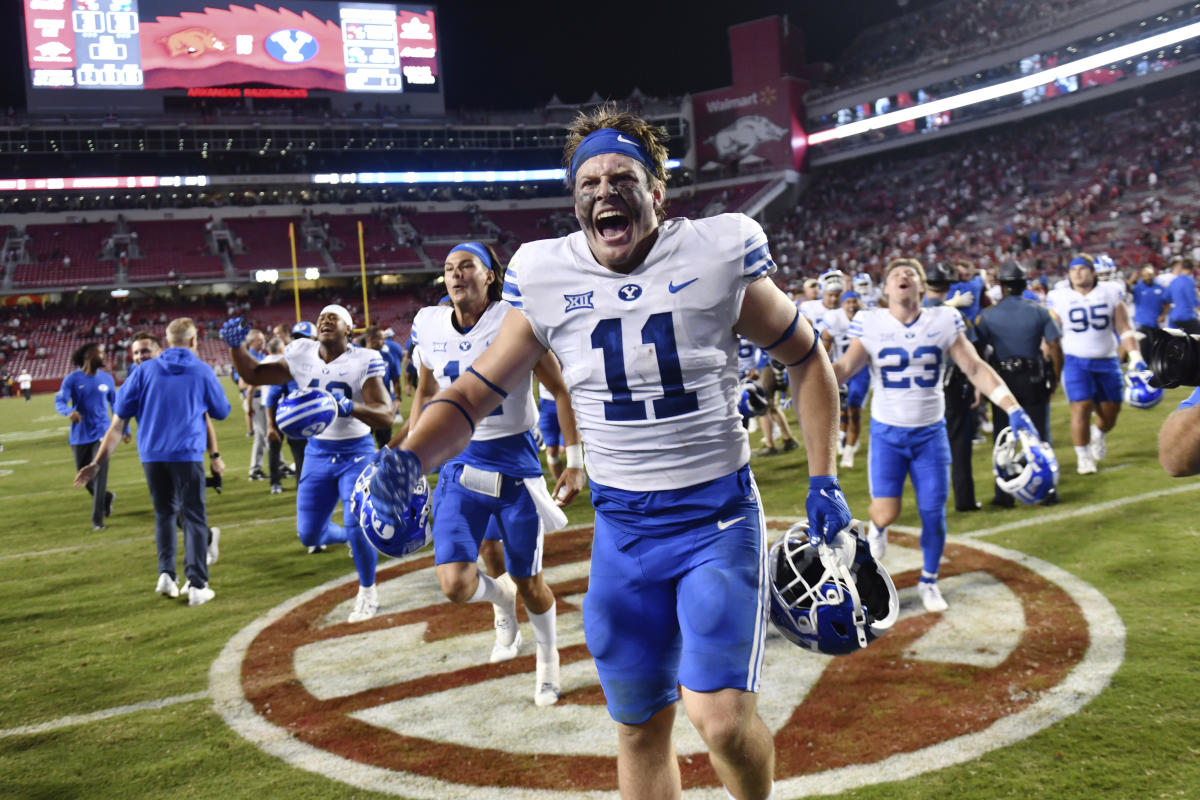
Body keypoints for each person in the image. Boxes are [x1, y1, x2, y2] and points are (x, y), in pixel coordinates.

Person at [370, 107, 851, 800]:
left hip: (715, 517)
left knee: (718, 721)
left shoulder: (716, 253)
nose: (604, 190)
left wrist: (824, 479)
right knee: (637, 725)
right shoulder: (543, 274)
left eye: (622, 176)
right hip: (623, 529)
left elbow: (808, 360)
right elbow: (473, 395)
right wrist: (407, 459)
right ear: (575, 200)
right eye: (589, 181)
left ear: (657, 192)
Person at [407, 241, 585, 704]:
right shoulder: (427, 324)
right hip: (458, 462)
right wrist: (413, 457)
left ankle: (548, 662)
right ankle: (499, 600)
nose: (456, 274)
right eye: (448, 268)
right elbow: (425, 394)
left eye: (467, 266)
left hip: (514, 465)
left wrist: (574, 460)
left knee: (530, 582)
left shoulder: (515, 318)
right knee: (456, 583)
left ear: (491, 276)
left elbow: (559, 389)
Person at [832, 257, 1042, 612]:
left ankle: (929, 581)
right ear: (885, 289)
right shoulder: (870, 322)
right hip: (888, 433)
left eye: (910, 273)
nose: (903, 276)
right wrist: (811, 383)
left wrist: (1013, 407)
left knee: (934, 512)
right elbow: (844, 368)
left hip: (930, 433)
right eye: (896, 273)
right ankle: (878, 530)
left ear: (921, 286)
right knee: (884, 513)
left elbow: (974, 366)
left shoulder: (943, 320)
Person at [224, 304, 393, 622]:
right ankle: (350, 538)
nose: (325, 321)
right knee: (310, 535)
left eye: (334, 318)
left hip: (356, 451)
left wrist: (349, 407)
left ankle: (368, 591)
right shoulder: (301, 352)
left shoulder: (363, 359)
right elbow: (253, 374)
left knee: (357, 519)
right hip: (317, 453)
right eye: (321, 318)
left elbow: (384, 413)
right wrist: (236, 347)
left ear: (349, 329)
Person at [74, 318, 230, 605]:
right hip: (186, 455)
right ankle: (197, 584)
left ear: (167, 341)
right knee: (194, 518)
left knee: (164, 514)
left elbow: (118, 424)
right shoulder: (201, 370)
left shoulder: (143, 372)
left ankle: (166, 576)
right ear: (194, 341)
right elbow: (221, 411)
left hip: (152, 457)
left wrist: (97, 463)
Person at [128, 330, 225, 565]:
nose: (140, 356)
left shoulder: (182, 373)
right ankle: (204, 543)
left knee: (182, 511)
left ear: (158, 350)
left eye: (145, 351)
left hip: (184, 452)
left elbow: (207, 418)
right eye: (136, 352)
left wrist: (214, 455)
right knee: (173, 511)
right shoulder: (140, 375)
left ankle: (195, 566)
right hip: (156, 453)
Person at [976, 259, 1063, 506]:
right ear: (1023, 284)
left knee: (1004, 437)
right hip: (1034, 377)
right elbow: (1055, 347)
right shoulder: (1039, 311)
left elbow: (979, 351)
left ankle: (1004, 494)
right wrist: (1055, 377)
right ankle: (1047, 491)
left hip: (1003, 381)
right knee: (1039, 435)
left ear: (1001, 285)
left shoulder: (988, 316)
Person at [1045, 254, 1138, 475]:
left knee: (1110, 413)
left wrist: (1135, 356)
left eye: (1082, 268)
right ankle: (1084, 457)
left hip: (1107, 359)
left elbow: (1123, 326)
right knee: (1081, 406)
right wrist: (1046, 357)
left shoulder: (1110, 291)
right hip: (1075, 361)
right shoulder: (1059, 296)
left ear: (1093, 271)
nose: (1077, 273)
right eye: (1073, 269)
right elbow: (1050, 332)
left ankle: (1098, 433)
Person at [55, 342, 118, 530]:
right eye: (101, 353)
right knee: (85, 479)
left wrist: (126, 430)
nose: (105, 356)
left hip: (103, 434)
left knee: (99, 476)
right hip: (80, 435)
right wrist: (69, 412)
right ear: (90, 355)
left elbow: (116, 406)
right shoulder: (72, 379)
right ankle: (107, 498)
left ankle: (97, 521)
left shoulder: (108, 379)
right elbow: (60, 401)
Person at [818, 290, 869, 468]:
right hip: (841, 368)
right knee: (841, 411)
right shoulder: (834, 319)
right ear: (843, 305)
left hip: (862, 371)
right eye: (848, 302)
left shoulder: (868, 318)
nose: (852, 306)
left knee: (854, 410)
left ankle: (849, 451)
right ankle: (842, 437)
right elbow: (824, 346)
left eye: (855, 302)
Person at [240, 328, 268, 480]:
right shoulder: (246, 358)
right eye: (259, 340)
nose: (263, 342)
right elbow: (242, 384)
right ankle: (257, 469)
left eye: (263, 339)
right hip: (255, 400)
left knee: (263, 436)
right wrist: (264, 385)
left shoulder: (263, 355)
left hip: (264, 399)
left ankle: (257, 469)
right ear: (251, 342)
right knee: (264, 435)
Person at [1129, 264, 1171, 344]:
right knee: (1144, 349)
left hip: (1156, 324)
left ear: (1153, 275)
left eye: (1150, 275)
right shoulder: (1137, 288)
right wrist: (1132, 279)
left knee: (1155, 350)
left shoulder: (1160, 288)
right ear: (1142, 276)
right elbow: (1126, 290)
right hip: (1141, 323)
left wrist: (1163, 315)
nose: (1148, 277)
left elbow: (1167, 303)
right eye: (1145, 275)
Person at [1165, 257, 1200, 335]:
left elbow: (1166, 298)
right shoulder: (1189, 281)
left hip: (1173, 317)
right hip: (1186, 316)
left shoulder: (1174, 281)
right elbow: (1193, 299)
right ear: (1192, 269)